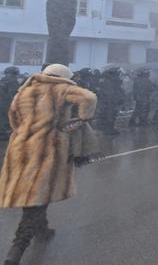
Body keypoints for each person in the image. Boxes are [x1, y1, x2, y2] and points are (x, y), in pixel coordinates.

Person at [0, 64, 98, 265]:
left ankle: (42, 229)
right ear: (63, 77)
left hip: (21, 145)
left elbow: (13, 118)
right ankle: (17, 247)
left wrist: (27, 131)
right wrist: (84, 117)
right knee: (37, 194)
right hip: (47, 148)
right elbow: (89, 97)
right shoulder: (60, 88)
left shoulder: (24, 91)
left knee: (31, 188)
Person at [96, 67, 125, 135]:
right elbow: (110, 93)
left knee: (110, 115)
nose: (119, 74)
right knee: (109, 115)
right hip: (110, 102)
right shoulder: (110, 81)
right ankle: (108, 130)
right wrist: (115, 100)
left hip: (110, 102)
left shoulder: (109, 81)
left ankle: (109, 128)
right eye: (118, 72)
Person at [0, 66, 21, 139]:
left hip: (1, 102)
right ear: (15, 73)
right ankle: (5, 134)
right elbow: (14, 93)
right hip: (8, 103)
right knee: (7, 118)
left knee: (2, 118)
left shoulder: (2, 80)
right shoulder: (13, 81)